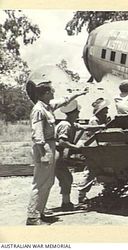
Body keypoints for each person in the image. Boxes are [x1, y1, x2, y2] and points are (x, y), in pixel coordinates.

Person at [26, 73, 88, 225]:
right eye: (52, 92)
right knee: (40, 182)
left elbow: (64, 101)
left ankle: (40, 213)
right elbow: (37, 134)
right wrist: (43, 154)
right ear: (46, 93)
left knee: (48, 182)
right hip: (44, 146)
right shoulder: (39, 110)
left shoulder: (47, 107)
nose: (54, 94)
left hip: (49, 146)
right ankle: (33, 216)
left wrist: (79, 93)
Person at [78, 98, 110, 204]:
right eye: (105, 110)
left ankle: (108, 189)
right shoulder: (94, 120)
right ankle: (82, 195)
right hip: (94, 148)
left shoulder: (103, 119)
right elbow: (95, 133)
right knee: (92, 171)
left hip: (102, 148)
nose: (106, 112)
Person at [55, 100, 82, 211]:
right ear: (74, 113)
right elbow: (62, 142)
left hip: (58, 154)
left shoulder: (70, 123)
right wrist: (76, 148)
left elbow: (83, 127)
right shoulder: (66, 125)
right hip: (55, 154)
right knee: (64, 178)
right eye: (77, 112)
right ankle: (65, 204)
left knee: (66, 178)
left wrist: (100, 126)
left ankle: (66, 202)